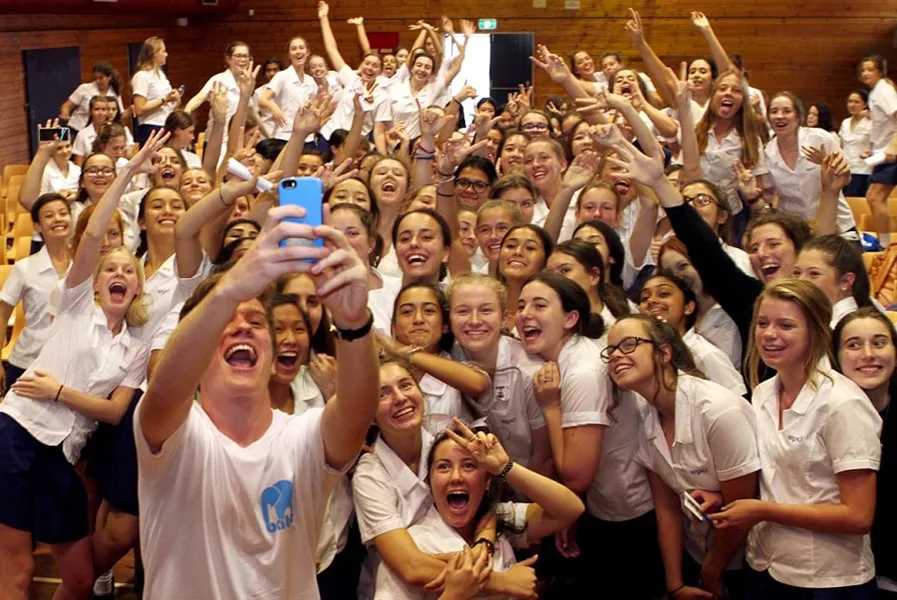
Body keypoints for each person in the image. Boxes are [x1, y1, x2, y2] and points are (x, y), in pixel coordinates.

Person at [135, 199, 379, 597]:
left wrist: (353, 323)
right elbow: (165, 388)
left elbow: (356, 411)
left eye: (255, 321)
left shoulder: (302, 435)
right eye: (225, 321)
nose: (241, 328)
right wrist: (229, 289)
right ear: (197, 351)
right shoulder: (175, 433)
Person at [0, 132, 165, 600]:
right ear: (93, 284)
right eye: (109, 269)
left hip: (64, 452)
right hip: (16, 434)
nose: (119, 274)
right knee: (15, 575)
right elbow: (93, 232)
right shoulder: (74, 305)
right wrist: (129, 172)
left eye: (128, 270)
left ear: (137, 287)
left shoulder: (137, 345)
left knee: (78, 579)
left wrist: (58, 392)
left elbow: (114, 413)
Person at [710, 279, 881, 598]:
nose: (769, 334)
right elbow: (775, 479)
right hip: (766, 564)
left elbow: (858, 516)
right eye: (763, 323)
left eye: (785, 325)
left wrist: (762, 511)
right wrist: (723, 500)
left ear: (816, 331)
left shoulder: (841, 405)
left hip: (827, 579)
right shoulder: (762, 394)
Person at [520, 272, 664, 598]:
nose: (525, 314)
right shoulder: (570, 358)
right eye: (521, 305)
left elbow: (576, 475)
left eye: (539, 305)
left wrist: (551, 407)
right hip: (603, 508)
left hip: (631, 515)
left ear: (571, 318)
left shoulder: (583, 371)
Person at [353, 360, 539, 599]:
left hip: (465, 562)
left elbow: (481, 492)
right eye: (383, 394)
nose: (399, 398)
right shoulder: (369, 475)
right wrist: (502, 582)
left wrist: (485, 541)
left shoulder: (443, 435)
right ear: (370, 416)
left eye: (406, 385)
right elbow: (412, 567)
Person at [605, 314, 760, 598]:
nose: (616, 356)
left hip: (749, 559)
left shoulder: (717, 411)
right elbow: (667, 509)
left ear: (664, 352)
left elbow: (741, 511)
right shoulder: (647, 415)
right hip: (698, 551)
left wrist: (711, 574)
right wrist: (675, 584)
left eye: (628, 345)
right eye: (611, 350)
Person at [374, 418, 584, 599]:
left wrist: (504, 467)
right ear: (429, 481)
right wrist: (455, 594)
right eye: (444, 466)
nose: (456, 477)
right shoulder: (415, 544)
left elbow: (570, 509)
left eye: (469, 465)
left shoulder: (496, 517)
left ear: (487, 482)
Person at [832, 308, 897, 596]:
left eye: (879, 342)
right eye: (854, 345)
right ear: (835, 356)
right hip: (845, 571)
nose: (868, 354)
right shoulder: (821, 413)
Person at [0, 194, 71, 392]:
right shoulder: (25, 268)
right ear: (37, 226)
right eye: (49, 215)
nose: (58, 219)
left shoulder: (85, 266)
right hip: (28, 362)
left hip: (71, 365)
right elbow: (3, 315)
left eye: (63, 213)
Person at [637, 272, 747, 394]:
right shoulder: (644, 356)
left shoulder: (705, 354)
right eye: (644, 298)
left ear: (688, 307)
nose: (651, 300)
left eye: (664, 294)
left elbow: (738, 402)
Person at [792, 234, 873, 326]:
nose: (801, 281)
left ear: (845, 281)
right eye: (797, 273)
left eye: (814, 274)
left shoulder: (851, 328)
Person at [860, 55, 897, 244]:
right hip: (882, 153)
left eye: (870, 69)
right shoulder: (875, 92)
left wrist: (893, 146)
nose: (865, 73)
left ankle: (885, 244)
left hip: (892, 154)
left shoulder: (884, 90)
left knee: (874, 197)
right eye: (863, 70)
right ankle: (885, 243)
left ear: (880, 72)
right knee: (874, 198)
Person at [259, 36, 319, 141]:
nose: (298, 51)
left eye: (301, 48)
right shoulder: (282, 76)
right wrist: (273, 106)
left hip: (306, 137)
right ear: (289, 55)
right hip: (284, 136)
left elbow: (313, 107)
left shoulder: (310, 81)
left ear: (307, 52)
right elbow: (262, 99)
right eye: (294, 49)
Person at [131, 36, 180, 146]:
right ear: (154, 54)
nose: (166, 54)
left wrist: (175, 99)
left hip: (166, 124)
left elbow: (166, 103)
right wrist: (165, 99)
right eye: (163, 51)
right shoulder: (142, 76)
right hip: (151, 127)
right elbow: (139, 109)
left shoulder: (161, 75)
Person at [60, 62, 124, 137]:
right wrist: (65, 114)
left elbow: (120, 114)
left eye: (101, 78)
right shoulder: (84, 88)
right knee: (63, 142)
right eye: (96, 78)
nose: (97, 81)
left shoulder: (115, 93)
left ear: (109, 77)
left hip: (98, 132)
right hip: (75, 128)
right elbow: (66, 105)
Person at [838, 89, 873, 198]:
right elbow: (841, 145)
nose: (852, 105)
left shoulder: (871, 123)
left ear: (865, 104)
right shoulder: (845, 122)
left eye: (856, 102)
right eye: (850, 101)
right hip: (845, 171)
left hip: (863, 171)